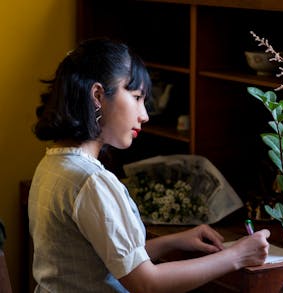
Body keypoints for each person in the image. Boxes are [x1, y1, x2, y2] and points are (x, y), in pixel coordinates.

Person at [28, 38, 270, 293]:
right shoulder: (91, 181)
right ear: (98, 96)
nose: (144, 115)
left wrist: (173, 241)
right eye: (136, 97)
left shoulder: (52, 164)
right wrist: (237, 256)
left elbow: (100, 258)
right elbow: (146, 283)